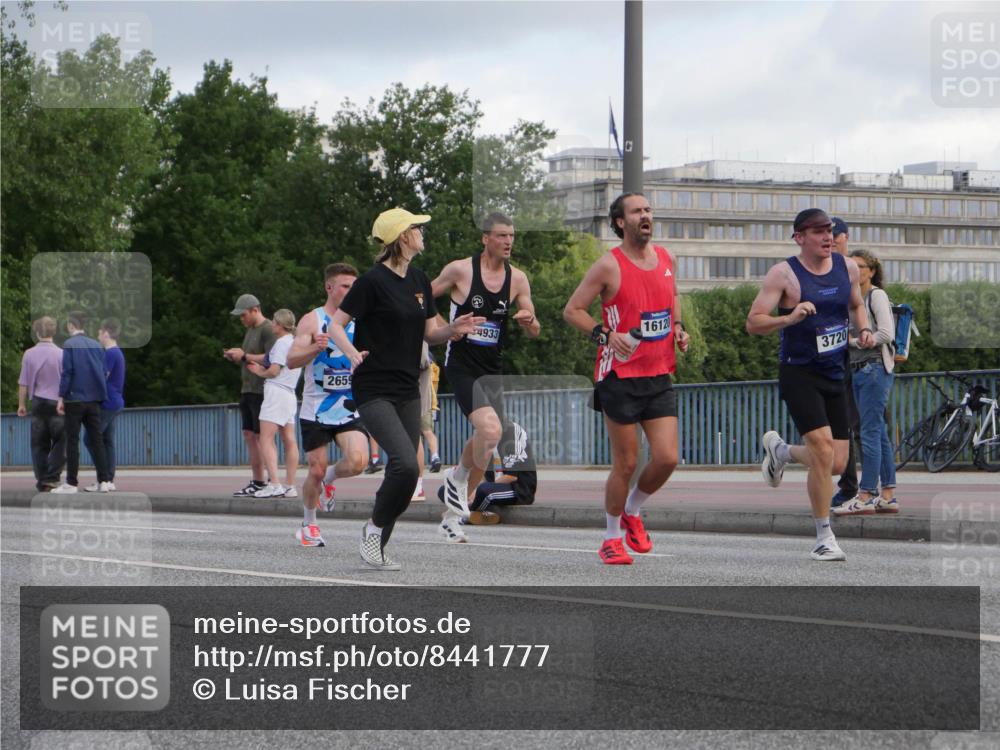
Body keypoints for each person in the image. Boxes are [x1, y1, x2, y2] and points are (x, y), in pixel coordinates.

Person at [329, 207, 482, 570]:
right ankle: (374, 529)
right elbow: (336, 325)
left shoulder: (417, 279)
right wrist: (351, 353)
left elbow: (431, 333)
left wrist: (455, 329)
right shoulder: (371, 282)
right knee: (403, 465)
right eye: (417, 228)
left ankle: (376, 541)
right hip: (373, 386)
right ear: (403, 238)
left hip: (408, 387)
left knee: (410, 470)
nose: (422, 233)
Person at [563, 193, 690, 565]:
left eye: (648, 210)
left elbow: (673, 297)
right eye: (637, 212)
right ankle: (610, 537)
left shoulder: (667, 258)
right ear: (621, 222)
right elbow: (572, 310)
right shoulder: (608, 266)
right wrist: (605, 335)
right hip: (618, 375)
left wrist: (678, 328)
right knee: (627, 463)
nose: (646, 216)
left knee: (667, 458)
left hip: (658, 371)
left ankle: (633, 510)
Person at [746, 208, 875, 561]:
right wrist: (790, 317)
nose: (827, 237)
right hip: (799, 372)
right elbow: (754, 323)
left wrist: (862, 328)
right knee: (820, 450)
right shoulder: (784, 274)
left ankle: (782, 452)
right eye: (818, 232)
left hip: (836, 371)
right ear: (799, 237)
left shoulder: (846, 267)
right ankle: (823, 536)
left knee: (836, 463)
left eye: (829, 230)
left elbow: (856, 305)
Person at [431, 211, 540, 543]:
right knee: (490, 430)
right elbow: (418, 301)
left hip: (493, 370)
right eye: (502, 235)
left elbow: (535, 328)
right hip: (462, 366)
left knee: (488, 439)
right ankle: (457, 479)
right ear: (486, 238)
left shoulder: (517, 279)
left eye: (512, 236)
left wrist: (528, 320)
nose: (508, 241)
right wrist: (443, 328)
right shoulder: (461, 270)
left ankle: (454, 510)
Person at [285, 263, 370, 548]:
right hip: (316, 409)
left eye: (354, 286)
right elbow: (291, 360)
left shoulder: (362, 319)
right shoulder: (313, 320)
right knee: (316, 469)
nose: (351, 291)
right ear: (329, 288)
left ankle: (330, 480)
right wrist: (314, 348)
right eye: (345, 286)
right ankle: (309, 524)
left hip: (348, 405)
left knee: (359, 461)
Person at [834, 249, 898, 515]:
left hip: (873, 368)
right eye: (852, 266)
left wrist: (852, 341)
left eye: (861, 267)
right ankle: (888, 495)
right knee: (879, 433)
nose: (856, 271)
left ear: (871, 271)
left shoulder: (876, 295)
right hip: (859, 369)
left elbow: (886, 332)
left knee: (870, 432)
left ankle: (866, 494)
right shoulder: (851, 299)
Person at [223, 294, 277, 497]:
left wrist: (244, 356)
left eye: (243, 315)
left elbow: (273, 358)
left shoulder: (268, 329)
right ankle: (257, 481)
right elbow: (251, 358)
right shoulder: (250, 330)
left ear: (255, 310)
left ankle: (272, 479)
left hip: (261, 389)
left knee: (262, 436)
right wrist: (237, 356)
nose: (242, 319)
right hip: (247, 388)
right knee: (249, 435)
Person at [51, 314, 111, 494]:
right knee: (97, 440)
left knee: (72, 440)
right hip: (94, 400)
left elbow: (67, 372)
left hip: (75, 399)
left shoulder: (69, 345)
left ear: (70, 325)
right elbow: (102, 371)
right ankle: (104, 480)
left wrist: (61, 397)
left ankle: (71, 482)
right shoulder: (96, 344)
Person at [245, 309, 302, 499]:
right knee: (290, 440)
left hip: (276, 391)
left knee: (266, 439)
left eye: (275, 322)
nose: (272, 325)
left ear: (279, 324)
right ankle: (290, 485)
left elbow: (274, 371)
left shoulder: (280, 344)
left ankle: (275, 483)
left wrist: (259, 372)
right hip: (290, 393)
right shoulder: (296, 343)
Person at [445, 421, 537, 524]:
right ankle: (482, 514)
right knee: (448, 488)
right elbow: (481, 471)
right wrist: (468, 486)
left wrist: (474, 492)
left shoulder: (510, 432)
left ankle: (466, 513)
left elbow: (511, 476)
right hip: (495, 485)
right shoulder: (485, 434)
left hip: (518, 489)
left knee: (483, 491)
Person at [829, 217, 861, 508]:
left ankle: (875, 487)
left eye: (835, 235)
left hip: (859, 356)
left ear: (845, 237)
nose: (831, 240)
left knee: (864, 425)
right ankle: (850, 485)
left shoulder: (852, 268)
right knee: (844, 423)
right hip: (835, 356)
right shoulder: (821, 269)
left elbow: (860, 306)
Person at [17, 316, 65, 492]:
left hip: (37, 402)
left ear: (37, 333)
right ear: (54, 332)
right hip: (57, 403)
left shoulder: (29, 354)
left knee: (39, 443)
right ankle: (52, 477)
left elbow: (23, 382)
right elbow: (66, 381)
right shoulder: (61, 354)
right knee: (61, 441)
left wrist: (21, 404)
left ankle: (42, 479)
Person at [83, 318, 125, 492]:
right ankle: (109, 478)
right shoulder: (118, 353)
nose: (98, 335)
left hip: (107, 403)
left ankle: (104, 479)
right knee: (107, 441)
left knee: (90, 438)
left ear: (106, 333)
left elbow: (101, 377)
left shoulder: (110, 354)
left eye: (100, 332)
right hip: (115, 402)